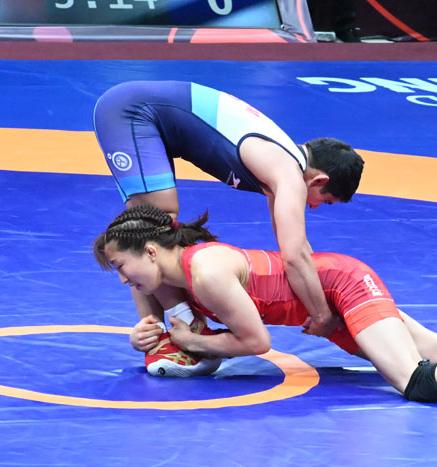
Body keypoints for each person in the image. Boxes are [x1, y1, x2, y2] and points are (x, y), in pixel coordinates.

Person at [93, 205, 437, 422]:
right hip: (328, 297)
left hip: (336, 287)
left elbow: (254, 344)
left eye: (121, 267)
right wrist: (152, 338)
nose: (122, 279)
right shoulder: (173, 280)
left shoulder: (205, 272)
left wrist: (190, 342)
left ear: (151, 252)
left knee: (413, 378)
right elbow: (191, 343)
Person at [93, 80, 364, 356]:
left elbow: (295, 248)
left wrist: (320, 299)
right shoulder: (288, 173)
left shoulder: (281, 163)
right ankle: (166, 332)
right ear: (319, 180)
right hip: (131, 112)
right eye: (325, 201)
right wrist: (322, 316)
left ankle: (170, 328)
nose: (314, 207)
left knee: (157, 227)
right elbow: (295, 257)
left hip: (143, 111)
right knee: (157, 225)